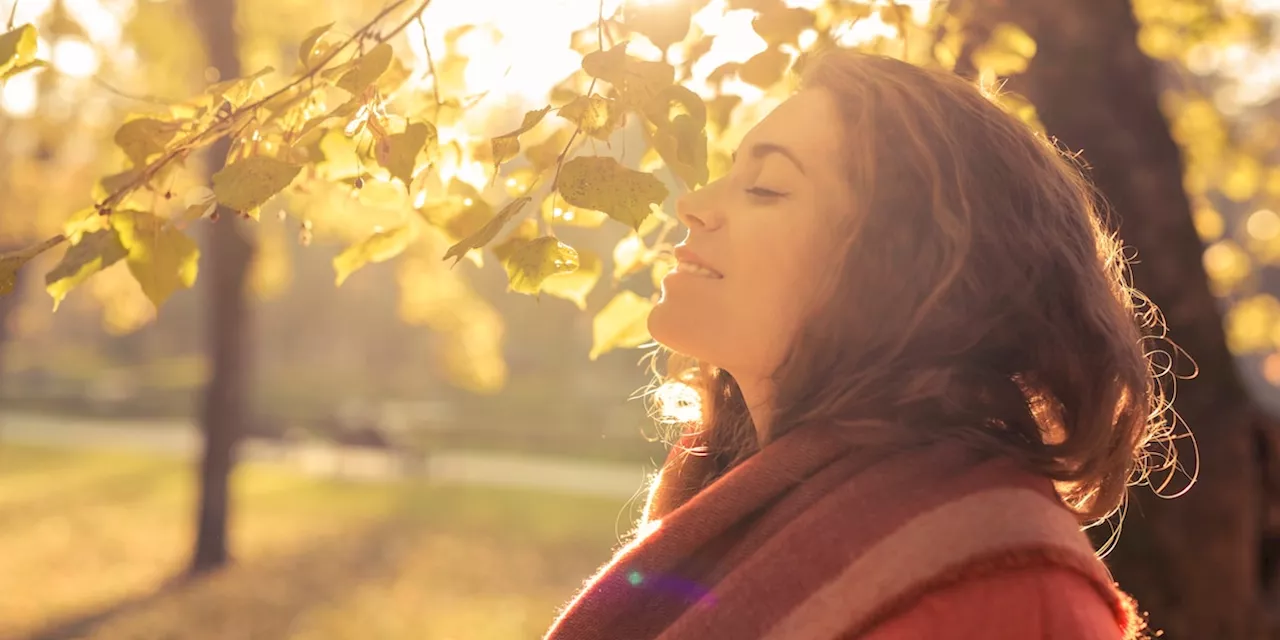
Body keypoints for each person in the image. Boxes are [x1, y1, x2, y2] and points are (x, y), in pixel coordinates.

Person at [544, 50, 1176, 639]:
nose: (693, 205)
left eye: (765, 186)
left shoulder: (1002, 582)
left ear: (905, 264)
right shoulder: (715, 512)